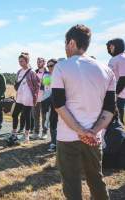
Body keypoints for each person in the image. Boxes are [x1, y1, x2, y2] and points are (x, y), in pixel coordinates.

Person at [52, 24, 115, 200]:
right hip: (94, 137)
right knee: (96, 179)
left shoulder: (61, 67)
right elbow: (110, 109)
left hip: (67, 136)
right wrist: (92, 132)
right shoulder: (107, 70)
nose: (65, 48)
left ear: (71, 42)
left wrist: (80, 131)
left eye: (65, 44)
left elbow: (59, 105)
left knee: (71, 184)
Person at [11, 52, 40, 142]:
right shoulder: (19, 72)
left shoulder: (32, 72)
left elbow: (37, 85)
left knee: (27, 116)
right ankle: (14, 133)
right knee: (14, 114)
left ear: (27, 61)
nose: (20, 63)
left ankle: (26, 135)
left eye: (22, 61)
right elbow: (18, 83)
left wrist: (35, 96)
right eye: (19, 61)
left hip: (28, 97)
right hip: (20, 97)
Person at [32, 57, 51, 140]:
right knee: (35, 116)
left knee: (44, 117)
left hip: (44, 98)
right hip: (35, 98)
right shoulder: (34, 72)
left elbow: (47, 85)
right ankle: (36, 132)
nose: (38, 63)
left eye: (40, 61)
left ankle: (44, 132)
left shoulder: (47, 73)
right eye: (37, 61)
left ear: (44, 63)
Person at [106, 38, 125, 124]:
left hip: (120, 95)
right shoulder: (117, 58)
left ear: (117, 46)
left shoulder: (121, 58)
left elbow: (123, 78)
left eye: (112, 47)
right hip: (117, 94)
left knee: (119, 121)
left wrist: (116, 94)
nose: (110, 49)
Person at [45, 59, 58, 152]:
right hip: (51, 103)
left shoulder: (62, 75)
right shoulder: (47, 76)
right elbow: (47, 90)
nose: (49, 67)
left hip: (62, 104)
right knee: (52, 122)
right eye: (48, 66)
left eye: (51, 65)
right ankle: (53, 142)